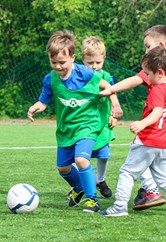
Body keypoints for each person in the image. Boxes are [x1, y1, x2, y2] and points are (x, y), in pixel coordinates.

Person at [99, 46, 166, 218]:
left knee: (128, 172)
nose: (147, 78)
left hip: (149, 139)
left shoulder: (158, 89)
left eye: (147, 74)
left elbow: (157, 112)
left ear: (159, 73)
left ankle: (119, 206)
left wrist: (143, 123)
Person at [27, 30, 123, 213]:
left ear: (73, 57)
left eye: (62, 62)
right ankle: (79, 187)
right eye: (53, 62)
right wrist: (36, 107)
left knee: (80, 160)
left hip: (88, 125)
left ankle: (91, 199)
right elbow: (44, 101)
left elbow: (107, 86)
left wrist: (115, 106)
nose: (57, 66)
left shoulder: (85, 73)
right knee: (62, 167)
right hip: (66, 129)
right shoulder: (50, 79)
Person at [101, 25, 166, 210]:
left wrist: (111, 89)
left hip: (152, 127)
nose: (145, 50)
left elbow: (134, 81)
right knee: (164, 168)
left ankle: (149, 192)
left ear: (159, 45)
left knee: (135, 159)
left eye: (147, 46)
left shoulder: (155, 68)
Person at [67, 36, 117, 198]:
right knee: (78, 156)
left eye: (98, 62)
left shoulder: (107, 77)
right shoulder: (79, 76)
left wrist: (113, 115)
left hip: (101, 122)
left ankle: (100, 180)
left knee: (104, 154)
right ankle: (80, 184)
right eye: (90, 63)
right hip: (82, 123)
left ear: (103, 59)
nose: (94, 67)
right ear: (83, 60)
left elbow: (112, 95)